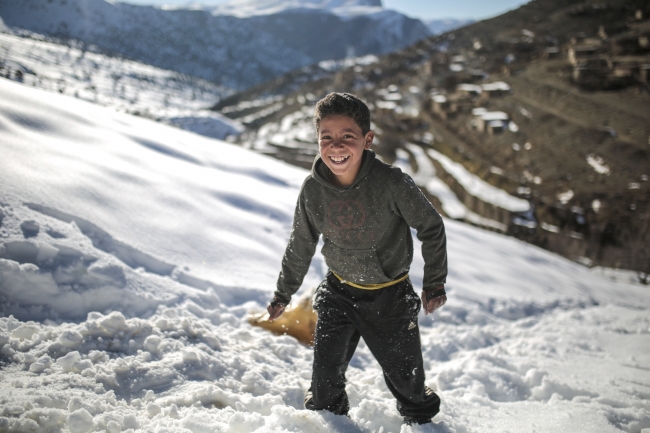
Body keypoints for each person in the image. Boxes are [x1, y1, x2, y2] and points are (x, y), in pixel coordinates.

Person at [267, 92, 448, 427]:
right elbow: (301, 244)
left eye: (347, 137)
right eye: (327, 138)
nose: (336, 147)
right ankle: (334, 423)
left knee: (410, 390)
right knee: (323, 390)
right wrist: (283, 293)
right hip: (339, 293)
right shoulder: (312, 190)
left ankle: (423, 423)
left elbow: (431, 226)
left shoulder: (391, 183)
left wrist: (434, 283)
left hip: (389, 297)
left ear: (367, 140)